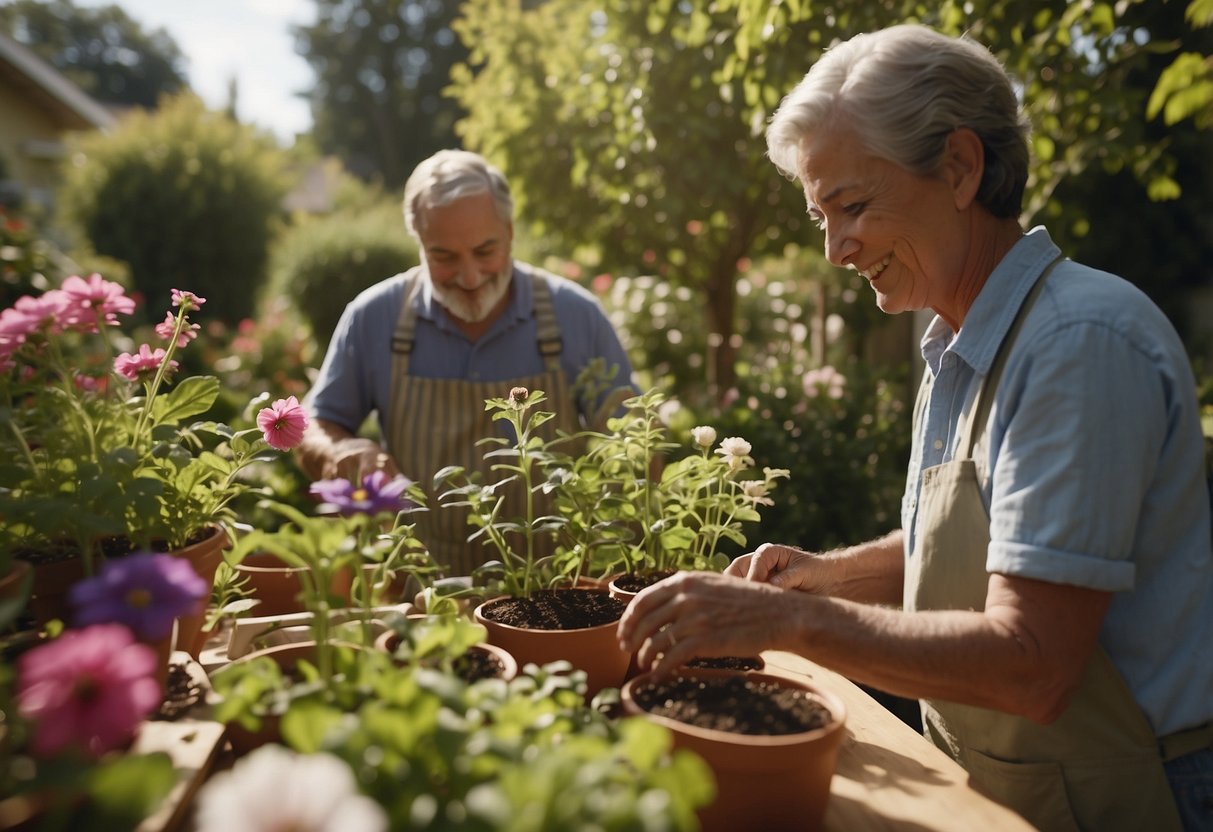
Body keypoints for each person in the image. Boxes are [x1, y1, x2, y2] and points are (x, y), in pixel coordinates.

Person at [617, 24, 1213, 832]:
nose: (833, 248)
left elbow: (1033, 662)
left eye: (852, 206)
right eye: (820, 216)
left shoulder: (1077, 343)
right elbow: (991, 547)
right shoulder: (960, 340)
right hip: (1017, 782)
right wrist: (826, 576)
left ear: (960, 167)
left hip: (1124, 795)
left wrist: (789, 621)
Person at [298, 149, 636, 576]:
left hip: (558, 593)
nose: (471, 277)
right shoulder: (374, 317)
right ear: (418, 242)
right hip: (422, 595)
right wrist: (341, 450)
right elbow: (313, 423)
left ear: (510, 233)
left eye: (485, 250)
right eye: (444, 257)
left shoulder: (575, 315)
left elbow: (632, 436)